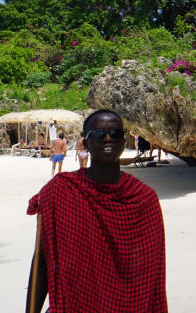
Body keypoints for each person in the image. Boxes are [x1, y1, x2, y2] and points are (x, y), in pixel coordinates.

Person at [26, 109, 167, 313]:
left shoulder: (144, 199)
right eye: (99, 134)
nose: (108, 138)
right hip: (74, 306)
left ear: (122, 141)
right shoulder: (60, 191)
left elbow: (152, 277)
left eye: (115, 133)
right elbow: (41, 259)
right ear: (87, 142)